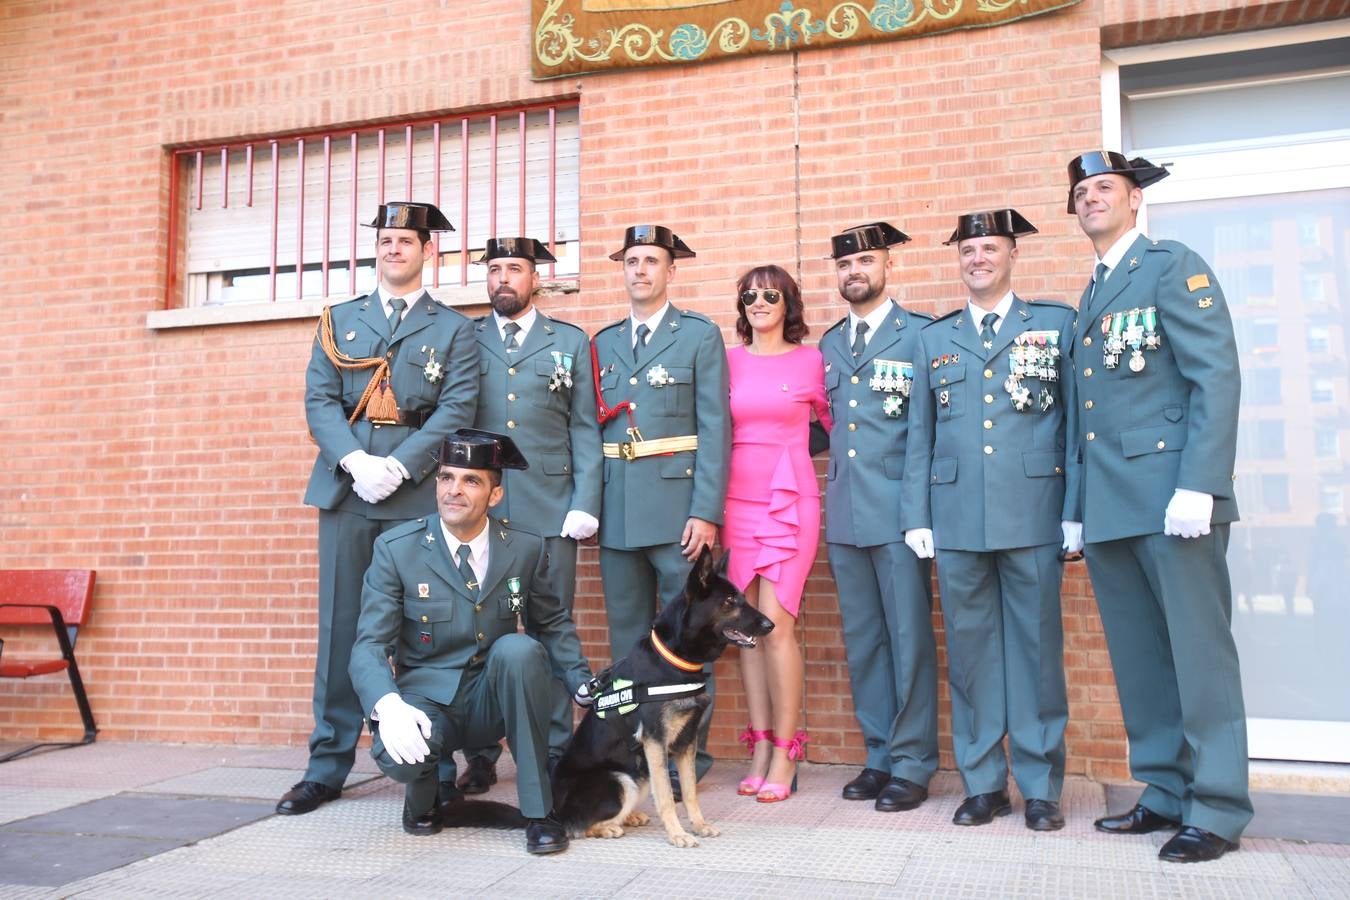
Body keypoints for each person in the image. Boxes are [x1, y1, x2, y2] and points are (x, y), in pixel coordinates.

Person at [1065, 151, 1250, 863]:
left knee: (1201, 660)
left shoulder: (1171, 265)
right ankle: (1167, 792)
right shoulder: (1093, 291)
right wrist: (1077, 509)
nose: (1090, 200)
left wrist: (1201, 482)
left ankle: (1220, 807)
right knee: (1142, 661)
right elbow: (1088, 414)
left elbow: (1215, 374)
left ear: (1135, 198)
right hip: (1112, 507)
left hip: (1176, 502)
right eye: (1080, 193)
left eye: (1104, 188)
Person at [279, 202, 479, 817]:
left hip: (417, 494)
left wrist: (400, 466)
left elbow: (458, 406)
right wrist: (356, 462)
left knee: (427, 630)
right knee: (342, 626)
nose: (393, 249)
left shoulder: (454, 328)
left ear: (429, 252)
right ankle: (327, 765)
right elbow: (319, 401)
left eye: (405, 241)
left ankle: (432, 761)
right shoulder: (338, 320)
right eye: (385, 240)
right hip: (348, 490)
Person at [901, 209, 1078, 831]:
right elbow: (919, 436)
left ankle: (1041, 786)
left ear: (1012, 256)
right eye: (969, 249)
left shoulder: (1055, 325)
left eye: (990, 248)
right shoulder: (934, 340)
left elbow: (1076, 428)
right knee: (971, 657)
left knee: (1034, 655)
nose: (978, 258)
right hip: (955, 521)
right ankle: (983, 784)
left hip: (1032, 515)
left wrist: (1074, 512)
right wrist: (915, 515)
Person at [348, 429, 593, 854]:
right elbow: (368, 645)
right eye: (446, 478)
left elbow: (551, 622)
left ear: (494, 495)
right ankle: (423, 802)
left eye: (471, 480)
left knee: (519, 650)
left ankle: (539, 813)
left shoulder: (523, 547)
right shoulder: (397, 549)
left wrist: (580, 680)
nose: (454, 491)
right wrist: (387, 707)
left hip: (490, 699)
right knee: (400, 757)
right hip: (427, 703)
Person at [447, 237, 602, 800]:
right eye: (494, 269)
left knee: (549, 628)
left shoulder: (568, 341)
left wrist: (586, 502)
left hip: (550, 510)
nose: (503, 278)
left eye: (514, 268)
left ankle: (556, 749)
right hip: (481, 509)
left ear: (536, 278)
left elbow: (585, 427)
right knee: (475, 631)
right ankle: (481, 754)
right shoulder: (466, 337)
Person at [591, 225, 731, 786]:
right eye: (632, 261)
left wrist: (707, 510)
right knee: (629, 642)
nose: (640, 270)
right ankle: (634, 751)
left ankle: (686, 758)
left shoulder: (698, 335)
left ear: (671, 270)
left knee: (689, 638)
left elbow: (715, 428)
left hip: (679, 512)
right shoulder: (601, 342)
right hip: (618, 509)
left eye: (651, 261)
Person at [818, 222, 939, 813]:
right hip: (844, 516)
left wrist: (920, 513)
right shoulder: (829, 345)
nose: (854, 272)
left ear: (887, 266)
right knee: (864, 642)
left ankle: (914, 763)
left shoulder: (919, 335)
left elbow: (927, 433)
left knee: (909, 640)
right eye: (844, 265)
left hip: (899, 515)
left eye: (864, 261)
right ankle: (880, 755)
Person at [721, 264, 831, 803]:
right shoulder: (727, 361)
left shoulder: (813, 361)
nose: (759, 303)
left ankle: (787, 754)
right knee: (743, 630)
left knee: (777, 627)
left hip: (789, 505)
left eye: (770, 295)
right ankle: (759, 746)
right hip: (736, 505)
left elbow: (840, 426)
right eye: (749, 296)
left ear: (788, 303)